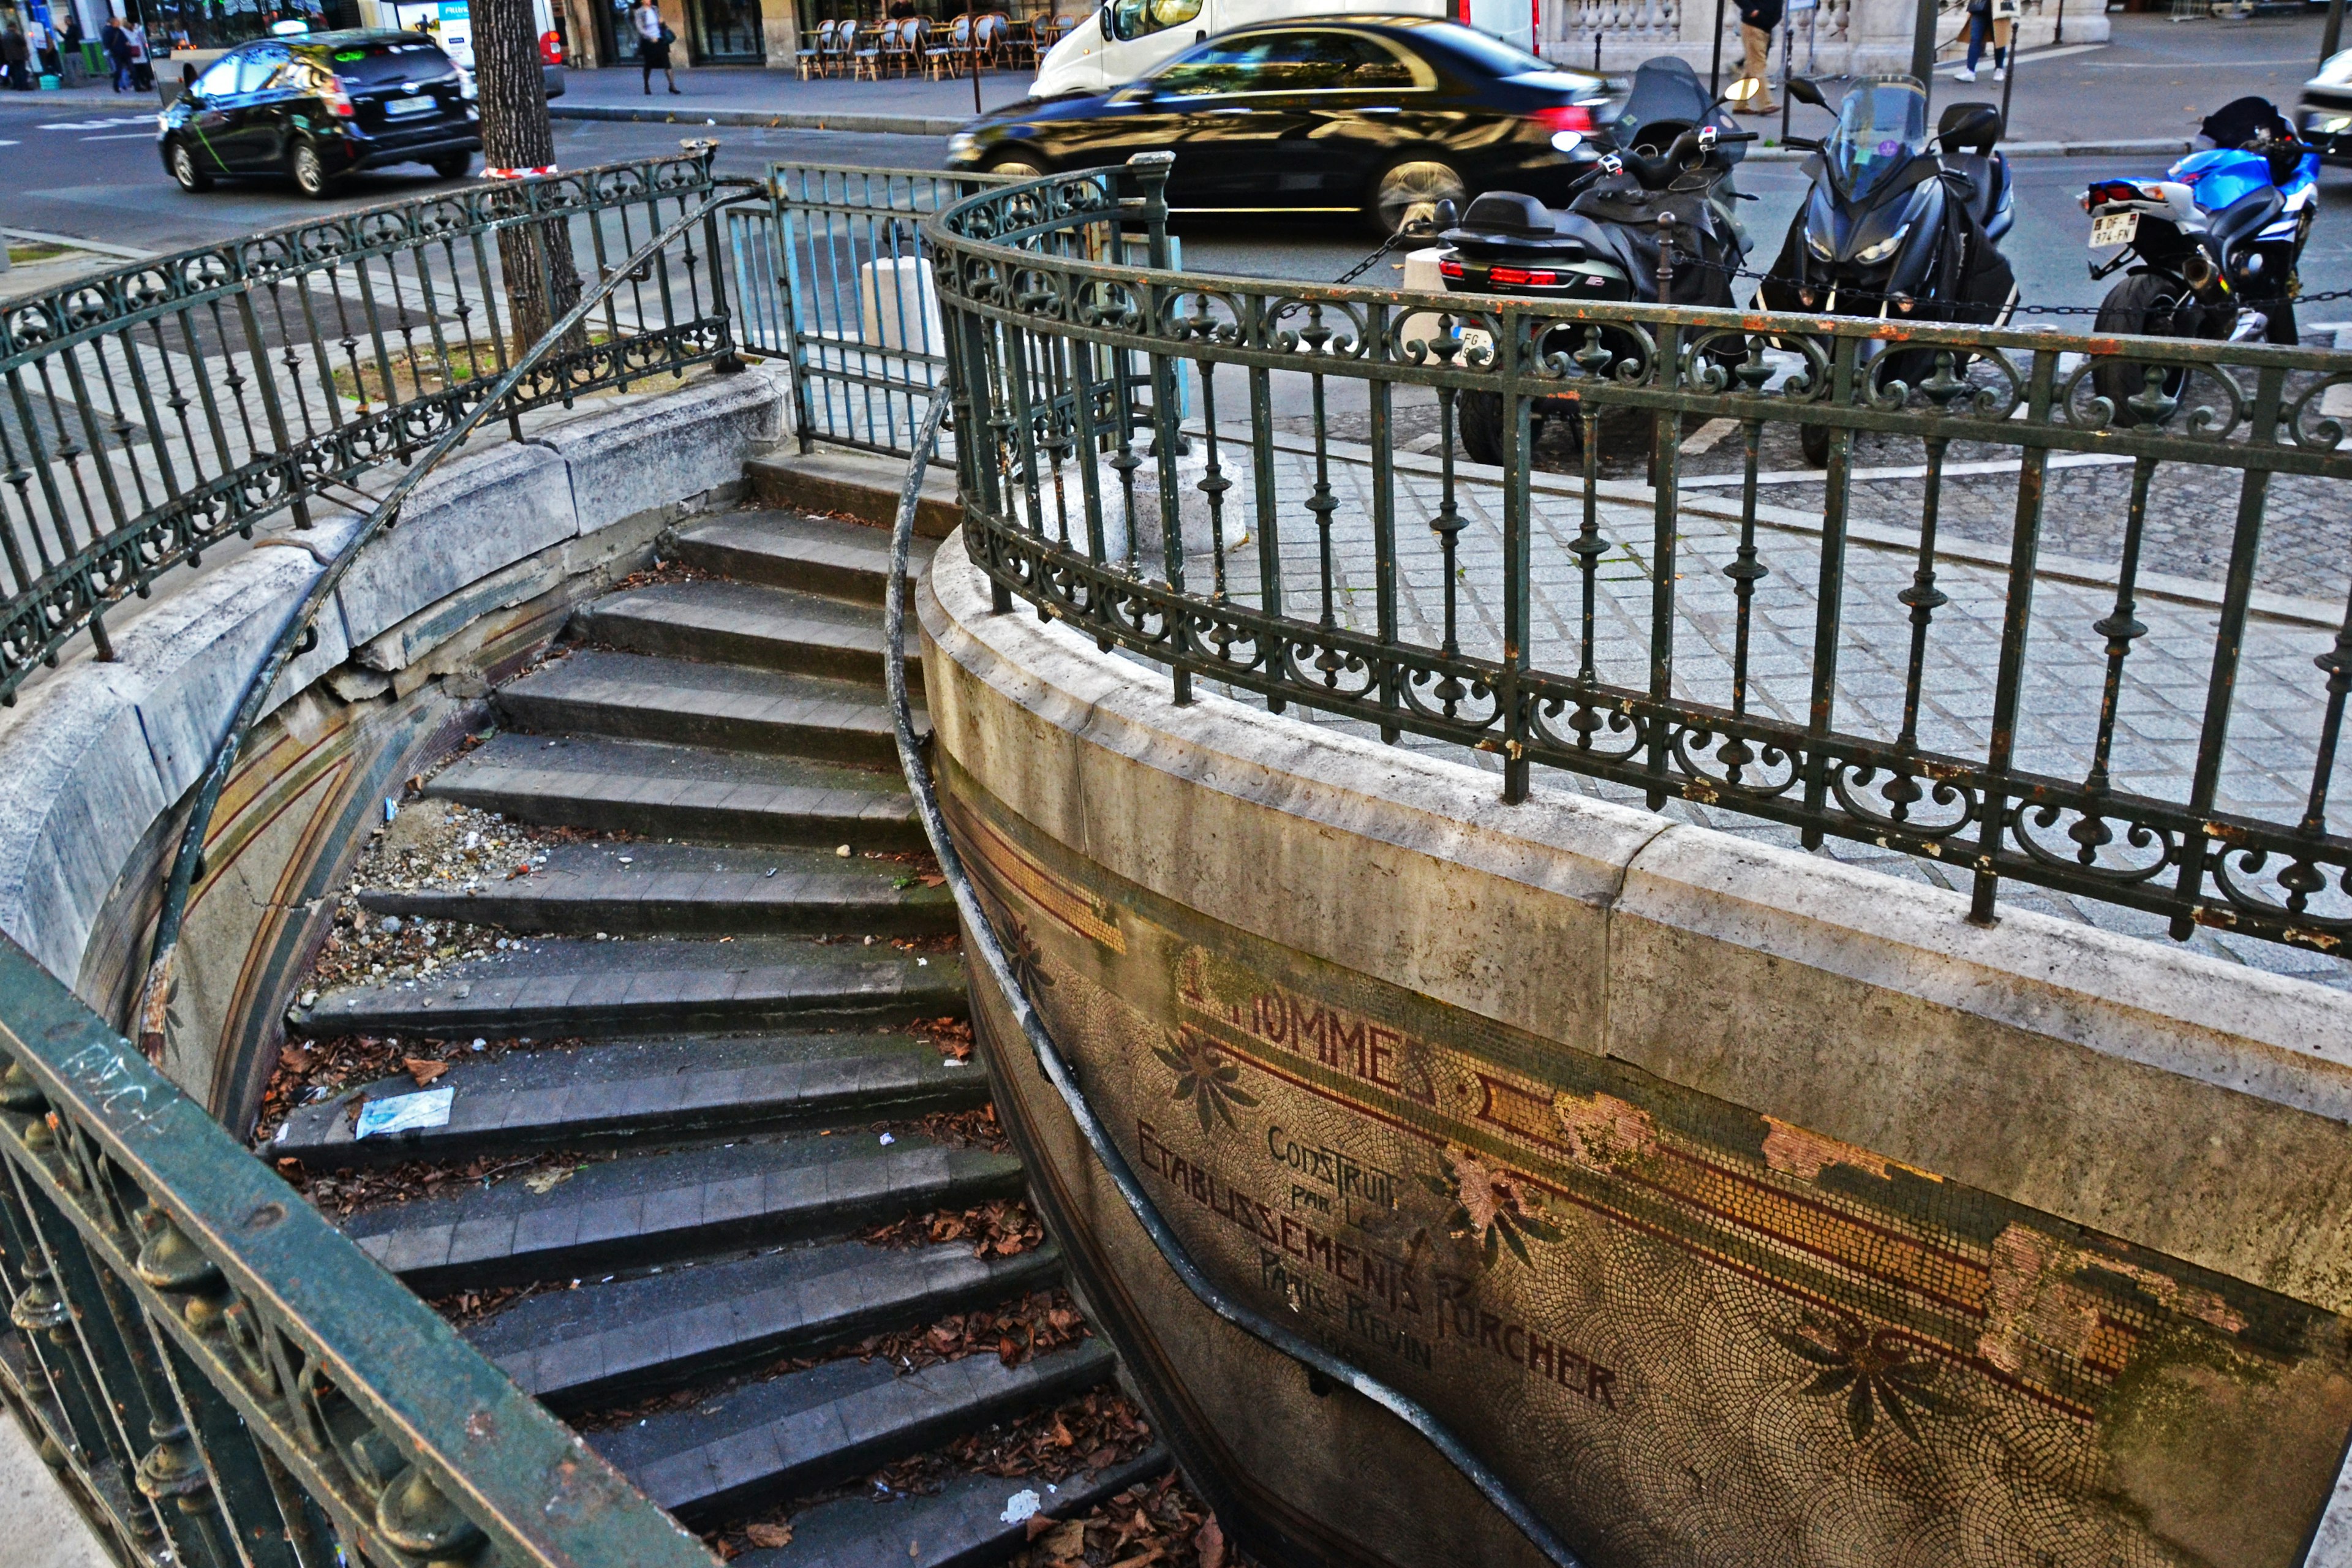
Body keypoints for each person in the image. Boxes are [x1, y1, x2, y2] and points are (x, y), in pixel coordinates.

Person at [1736, 0, 1780, 115]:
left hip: (1764, 27)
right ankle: (1765, 104)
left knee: (1751, 67)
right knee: (1757, 66)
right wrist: (1751, 10)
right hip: (1754, 26)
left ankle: (1740, 104)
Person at [1956, 0, 2013, 83]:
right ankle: (1970, 71)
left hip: (2000, 6)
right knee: (1975, 38)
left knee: (1999, 38)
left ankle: (1999, 69)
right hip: (1978, 6)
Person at [632, 0, 676, 95]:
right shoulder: (639, 12)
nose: (649, 1)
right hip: (649, 41)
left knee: (667, 63)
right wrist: (650, 37)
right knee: (649, 64)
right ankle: (646, 85)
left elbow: (662, 23)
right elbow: (640, 28)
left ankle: (672, 86)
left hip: (660, 39)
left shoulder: (655, 9)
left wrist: (662, 22)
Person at [100, 13, 131, 89]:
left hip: (120, 52)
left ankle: (123, 85)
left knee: (121, 69)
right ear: (113, 22)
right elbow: (107, 43)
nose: (119, 22)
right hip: (117, 53)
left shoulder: (117, 30)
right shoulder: (109, 31)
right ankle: (121, 85)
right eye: (117, 21)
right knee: (120, 69)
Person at [0, 23, 26, 89]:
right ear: (14, 27)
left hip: (10, 57)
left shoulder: (4, 36)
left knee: (15, 71)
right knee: (21, 71)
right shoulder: (15, 35)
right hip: (19, 56)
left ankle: (17, 85)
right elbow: (23, 43)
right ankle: (23, 86)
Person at [126, 16, 149, 89]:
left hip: (141, 54)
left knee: (145, 70)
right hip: (134, 54)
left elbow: (143, 40)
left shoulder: (137, 31)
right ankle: (142, 84)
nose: (133, 25)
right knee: (139, 71)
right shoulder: (125, 32)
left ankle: (147, 84)